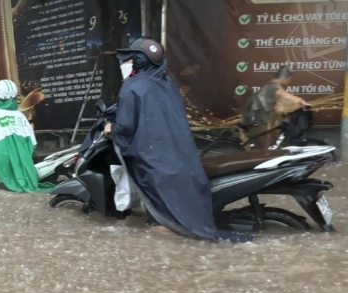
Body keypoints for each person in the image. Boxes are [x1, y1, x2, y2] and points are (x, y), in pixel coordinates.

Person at [104, 37, 249, 242]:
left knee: (163, 221)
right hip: (182, 160)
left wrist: (111, 128)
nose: (126, 63)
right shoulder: (168, 84)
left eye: (130, 59)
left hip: (154, 162)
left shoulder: (132, 87)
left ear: (138, 61)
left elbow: (126, 127)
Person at [240, 65, 312, 150]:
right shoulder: (273, 86)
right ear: (285, 77)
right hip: (258, 120)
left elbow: (278, 107)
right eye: (289, 79)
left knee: (269, 142)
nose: (289, 82)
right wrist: (301, 102)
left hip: (254, 118)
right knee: (263, 150)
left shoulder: (268, 87)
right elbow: (286, 96)